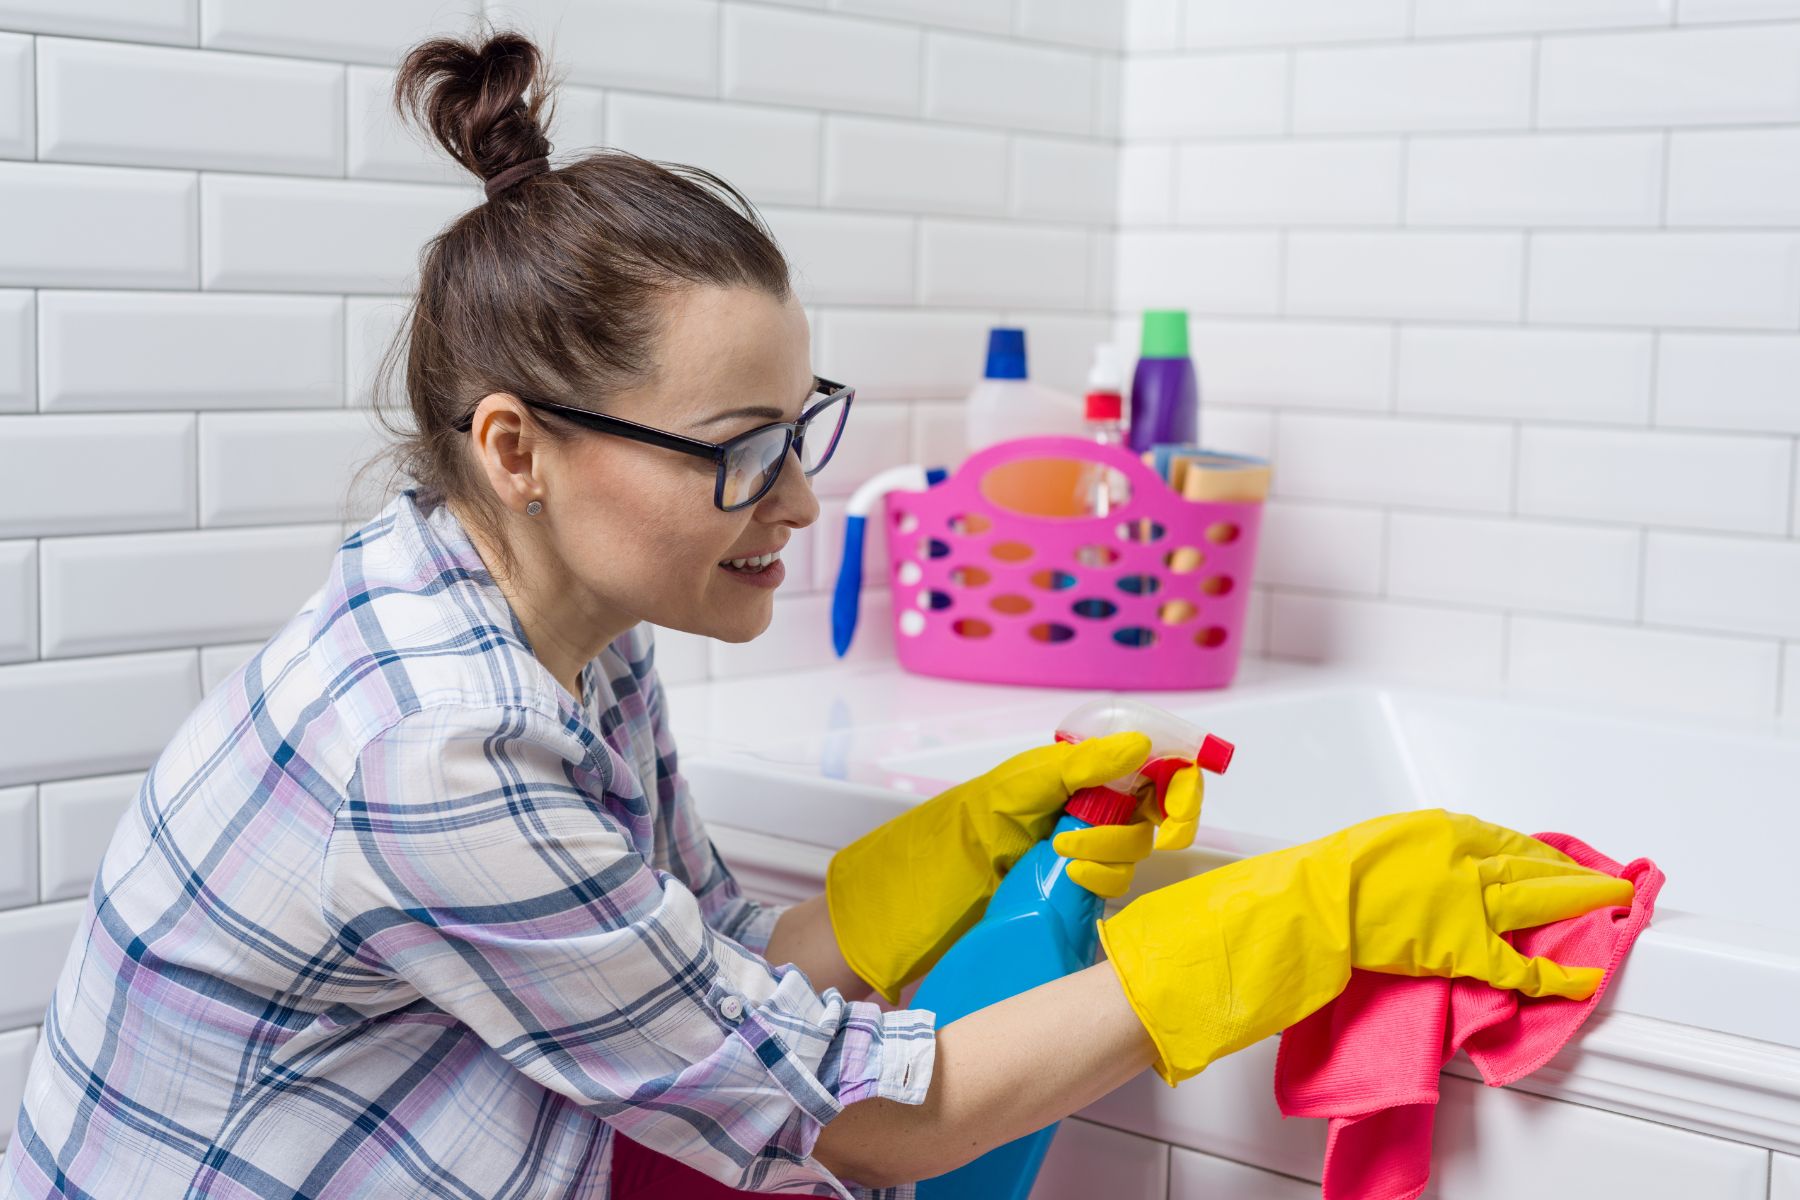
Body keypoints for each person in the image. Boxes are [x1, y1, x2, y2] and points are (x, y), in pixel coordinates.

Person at [0, 27, 1633, 1200]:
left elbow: (700, 966)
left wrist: (945, 858)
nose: (799, 503)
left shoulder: (553, 612)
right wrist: (1286, 920)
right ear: (521, 451)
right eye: (737, 456)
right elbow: (854, 1120)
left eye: (799, 432)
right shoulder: (433, 749)